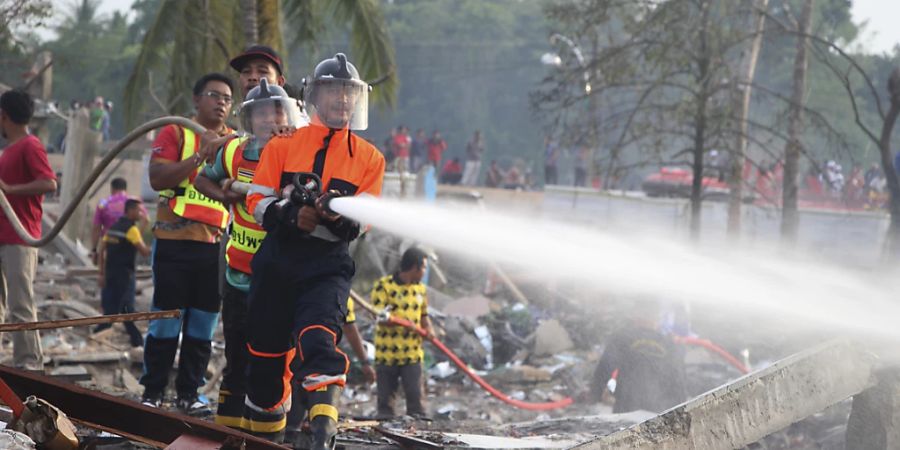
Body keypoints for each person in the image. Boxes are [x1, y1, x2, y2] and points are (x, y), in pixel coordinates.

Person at [244, 53, 385, 447]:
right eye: (334, 91)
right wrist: (291, 215)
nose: (343, 100)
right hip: (277, 261)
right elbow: (256, 199)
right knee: (266, 366)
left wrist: (335, 218)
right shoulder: (284, 145)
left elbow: (364, 220)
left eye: (349, 93)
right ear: (314, 97)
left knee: (320, 343)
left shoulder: (371, 158)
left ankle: (322, 440)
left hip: (326, 266)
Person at [195, 77, 304, 432]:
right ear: (250, 119)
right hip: (238, 277)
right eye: (261, 114)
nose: (269, 121)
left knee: (272, 360)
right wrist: (224, 195)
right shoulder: (234, 152)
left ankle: (270, 432)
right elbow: (201, 179)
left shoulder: (297, 153)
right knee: (236, 357)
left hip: (277, 280)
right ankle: (231, 434)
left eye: (276, 113)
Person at [140, 73, 237, 415]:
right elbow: (158, 178)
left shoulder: (236, 142)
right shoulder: (176, 132)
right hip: (174, 241)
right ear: (196, 100)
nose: (222, 102)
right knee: (167, 320)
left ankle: (188, 394)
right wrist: (199, 156)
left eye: (227, 97)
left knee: (203, 324)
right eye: (214, 95)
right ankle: (153, 391)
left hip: (215, 247)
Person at [0, 89, 57, 371]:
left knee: (20, 302)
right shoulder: (8, 151)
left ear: (4, 116)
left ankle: (30, 364)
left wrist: (10, 190)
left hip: (20, 238)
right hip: (3, 236)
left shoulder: (29, 145)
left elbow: (49, 183)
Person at [284, 296, 375, 446]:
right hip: (307, 360)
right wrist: (364, 362)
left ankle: (308, 437)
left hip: (296, 359)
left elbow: (350, 327)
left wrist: (365, 362)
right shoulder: (336, 289)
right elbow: (350, 327)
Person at [591, 299, 687, 413]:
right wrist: (679, 411)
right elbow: (678, 381)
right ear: (656, 317)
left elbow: (604, 369)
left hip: (627, 407)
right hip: (658, 411)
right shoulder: (669, 344)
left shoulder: (621, 338)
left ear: (635, 315)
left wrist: (595, 396)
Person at [372, 247, 434, 419]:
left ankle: (418, 435)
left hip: (412, 355)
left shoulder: (420, 289)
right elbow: (378, 316)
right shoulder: (383, 286)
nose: (424, 272)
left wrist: (429, 329)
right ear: (414, 267)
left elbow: (424, 315)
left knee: (416, 402)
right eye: (423, 268)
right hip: (387, 354)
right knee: (385, 406)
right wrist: (407, 324)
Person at [95, 199, 150, 348]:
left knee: (110, 309)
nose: (140, 213)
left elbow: (102, 250)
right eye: (139, 210)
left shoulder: (114, 226)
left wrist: (101, 273)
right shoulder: (131, 230)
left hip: (110, 274)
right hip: (125, 277)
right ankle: (138, 342)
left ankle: (97, 334)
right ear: (130, 211)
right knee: (127, 310)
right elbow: (144, 252)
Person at [91, 178, 148, 264]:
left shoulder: (103, 203)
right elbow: (146, 219)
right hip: (128, 244)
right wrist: (137, 238)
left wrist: (94, 249)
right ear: (125, 188)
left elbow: (96, 228)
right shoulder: (134, 202)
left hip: (108, 244)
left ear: (112, 189)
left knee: (107, 271)